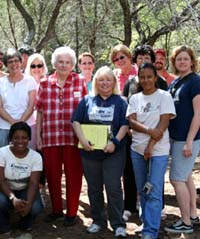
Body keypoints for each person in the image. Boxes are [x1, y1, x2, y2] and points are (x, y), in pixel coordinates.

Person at [72, 66, 128, 238]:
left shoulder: (121, 102)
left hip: (113, 152)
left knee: (113, 187)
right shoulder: (87, 101)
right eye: (101, 80)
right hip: (90, 153)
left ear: (114, 82)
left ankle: (118, 224)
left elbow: (125, 125)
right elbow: (76, 121)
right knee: (94, 188)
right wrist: (82, 140)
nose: (105, 83)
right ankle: (98, 221)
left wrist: (115, 142)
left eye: (108, 79)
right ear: (96, 82)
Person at [36, 46, 87, 226]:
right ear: (54, 63)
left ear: (73, 64)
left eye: (67, 62)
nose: (64, 65)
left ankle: (72, 212)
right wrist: (38, 136)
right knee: (52, 175)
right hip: (50, 137)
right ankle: (57, 210)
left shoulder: (80, 81)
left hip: (74, 138)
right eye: (60, 62)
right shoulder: (44, 83)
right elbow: (40, 112)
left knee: (74, 176)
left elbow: (87, 109)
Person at [126, 63, 176, 239]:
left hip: (159, 151)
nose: (146, 80)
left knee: (153, 189)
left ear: (155, 78)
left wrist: (151, 145)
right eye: (142, 77)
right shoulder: (135, 99)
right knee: (142, 189)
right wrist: (148, 131)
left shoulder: (164, 96)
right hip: (137, 151)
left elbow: (163, 124)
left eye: (149, 76)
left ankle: (151, 231)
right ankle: (145, 222)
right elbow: (131, 122)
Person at [164, 45, 200, 234]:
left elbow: (198, 114)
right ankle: (193, 215)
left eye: (185, 59)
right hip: (175, 137)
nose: (182, 62)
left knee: (176, 178)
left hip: (187, 140)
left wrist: (189, 141)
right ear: (174, 62)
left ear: (192, 61)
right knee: (185, 177)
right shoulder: (176, 82)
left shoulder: (195, 82)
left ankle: (185, 222)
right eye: (179, 59)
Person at [110, 44, 138, 221]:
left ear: (129, 56)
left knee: (141, 169)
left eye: (122, 57)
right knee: (126, 169)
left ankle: (143, 203)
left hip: (137, 128)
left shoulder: (138, 74)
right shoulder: (114, 76)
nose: (120, 61)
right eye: (116, 59)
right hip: (119, 128)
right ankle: (129, 204)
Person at [0, 122, 43, 234]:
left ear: (29, 139)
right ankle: (4, 225)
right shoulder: (2, 153)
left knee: (35, 207)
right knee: (0, 201)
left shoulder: (36, 157)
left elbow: (33, 183)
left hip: (25, 189)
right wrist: (13, 198)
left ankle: (25, 222)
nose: (20, 141)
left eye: (24, 138)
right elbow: (1, 180)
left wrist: (28, 205)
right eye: (16, 138)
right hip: (5, 189)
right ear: (11, 138)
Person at [0, 48, 37, 148]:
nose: (14, 64)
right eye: (10, 62)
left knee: (27, 160)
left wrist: (20, 123)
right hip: (5, 127)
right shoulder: (1, 82)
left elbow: (31, 106)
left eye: (16, 60)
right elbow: (0, 108)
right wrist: (12, 122)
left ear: (21, 62)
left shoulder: (30, 80)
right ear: (6, 65)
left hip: (27, 126)